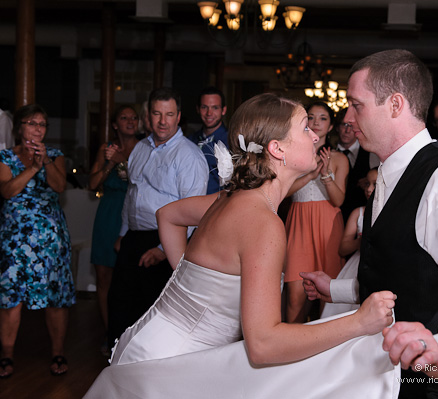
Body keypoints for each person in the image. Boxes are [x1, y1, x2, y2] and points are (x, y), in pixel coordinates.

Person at [84, 93, 399, 399]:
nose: (315, 135)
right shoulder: (263, 223)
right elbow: (263, 345)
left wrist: (187, 282)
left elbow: (168, 215)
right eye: (305, 127)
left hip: (158, 348)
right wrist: (358, 322)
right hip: (168, 371)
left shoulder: (230, 198)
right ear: (277, 149)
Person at [302, 49, 438, 398]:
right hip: (388, 377)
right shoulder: (387, 173)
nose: (348, 116)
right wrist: (335, 289)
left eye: (357, 105)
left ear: (395, 105)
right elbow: (399, 272)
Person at [106, 88, 209, 346]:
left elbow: (192, 209)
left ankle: (146, 369)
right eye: (157, 114)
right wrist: (123, 233)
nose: (163, 121)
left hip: (166, 241)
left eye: (169, 114)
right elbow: (133, 193)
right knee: (120, 303)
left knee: (153, 311)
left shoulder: (189, 156)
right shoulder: (140, 148)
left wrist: (164, 249)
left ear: (179, 117)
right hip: (133, 237)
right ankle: (117, 364)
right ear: (148, 116)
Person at [0, 104, 75, 378]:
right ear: (20, 127)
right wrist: (32, 167)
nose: (38, 129)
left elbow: (59, 186)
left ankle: (58, 351)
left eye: (42, 124)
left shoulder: (54, 155)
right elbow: (8, 191)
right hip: (15, 239)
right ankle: (6, 354)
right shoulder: (5, 157)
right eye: (32, 123)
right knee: (11, 298)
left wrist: (45, 163)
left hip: (49, 238)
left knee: (55, 295)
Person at [284, 101, 349, 323]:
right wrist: (311, 175)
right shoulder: (291, 155)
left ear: (331, 126)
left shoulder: (340, 159)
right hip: (299, 224)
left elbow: (338, 200)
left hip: (328, 226)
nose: (316, 123)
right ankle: (291, 352)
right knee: (295, 298)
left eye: (323, 118)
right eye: (311, 117)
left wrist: (326, 175)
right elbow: (282, 192)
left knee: (328, 300)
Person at [88, 105, 140, 353]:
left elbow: (146, 181)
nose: (130, 121)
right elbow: (92, 183)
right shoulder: (105, 148)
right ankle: (110, 333)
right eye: (124, 117)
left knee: (131, 277)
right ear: (115, 124)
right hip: (108, 213)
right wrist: (110, 163)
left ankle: (130, 334)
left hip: (134, 213)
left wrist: (124, 162)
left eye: (134, 117)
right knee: (104, 276)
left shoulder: (145, 147)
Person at [321, 167, 377, 318]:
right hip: (355, 267)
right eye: (367, 184)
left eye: (375, 184)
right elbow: (343, 248)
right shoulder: (358, 213)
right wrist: (361, 241)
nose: (369, 189)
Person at [187, 87, 229, 194]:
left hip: (218, 205)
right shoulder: (189, 140)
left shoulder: (231, 142)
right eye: (204, 107)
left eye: (215, 108)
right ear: (198, 109)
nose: (209, 113)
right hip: (188, 202)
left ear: (223, 110)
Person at [336, 108, 373, 222]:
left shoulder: (370, 152)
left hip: (361, 215)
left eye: (351, 126)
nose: (347, 130)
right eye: (344, 125)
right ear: (337, 127)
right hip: (335, 214)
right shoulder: (328, 152)